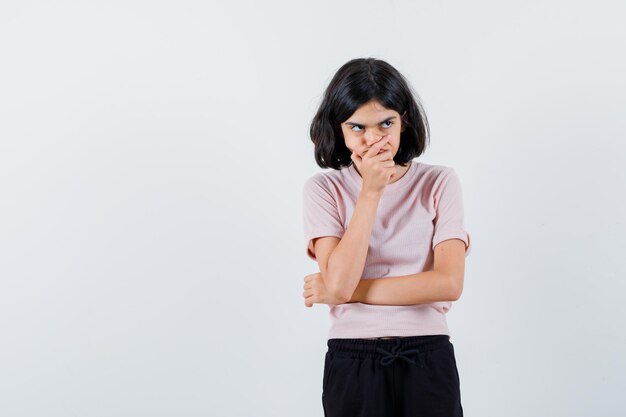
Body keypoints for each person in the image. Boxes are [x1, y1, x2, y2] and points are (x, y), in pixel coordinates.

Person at [301, 57, 471, 417]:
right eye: (358, 127)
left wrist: (348, 291)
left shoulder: (439, 183)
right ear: (340, 129)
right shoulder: (324, 189)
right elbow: (341, 282)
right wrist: (370, 192)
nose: (374, 138)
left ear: (404, 119)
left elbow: (449, 283)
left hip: (427, 356)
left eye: (386, 123)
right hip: (352, 360)